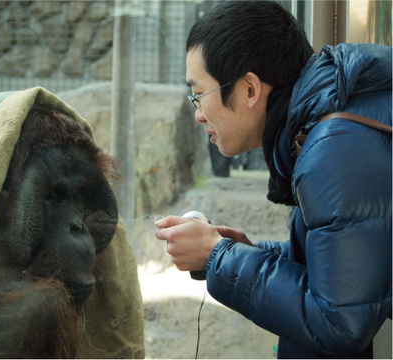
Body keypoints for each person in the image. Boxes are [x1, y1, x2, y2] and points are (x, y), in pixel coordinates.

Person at [154, 1, 392, 358]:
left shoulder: (333, 149)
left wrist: (219, 256)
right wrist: (238, 251)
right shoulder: (325, 125)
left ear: (250, 89)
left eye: (199, 95)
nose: (199, 115)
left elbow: (338, 322)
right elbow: (343, 263)